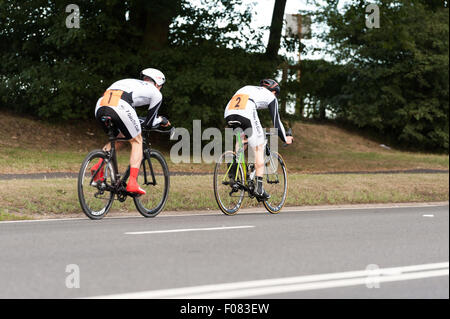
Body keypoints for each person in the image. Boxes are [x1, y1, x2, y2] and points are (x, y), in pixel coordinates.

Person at [92, 68, 170, 195]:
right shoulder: (156, 93)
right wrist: (161, 119)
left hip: (101, 105)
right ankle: (132, 182)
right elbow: (149, 123)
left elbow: (131, 117)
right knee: (137, 141)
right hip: (120, 105)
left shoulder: (131, 83)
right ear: (158, 84)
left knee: (119, 138)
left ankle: (98, 166)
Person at [224, 79, 293, 199]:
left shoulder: (249, 88)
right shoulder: (271, 97)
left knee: (242, 140)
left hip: (229, 112)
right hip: (246, 111)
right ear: (274, 92)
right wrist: (285, 138)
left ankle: (234, 175)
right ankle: (259, 189)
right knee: (258, 147)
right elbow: (276, 121)